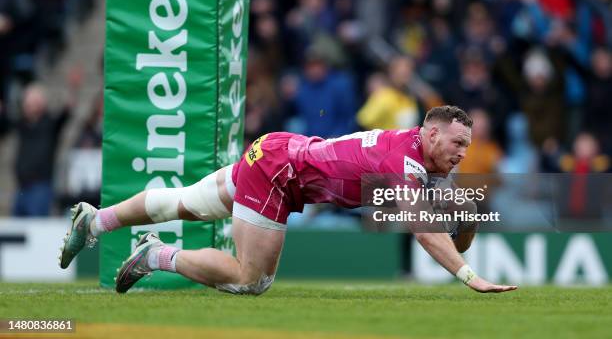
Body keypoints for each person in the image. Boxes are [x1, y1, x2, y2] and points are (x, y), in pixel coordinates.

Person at [59, 105, 517, 295]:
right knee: (250, 280)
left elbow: (453, 235)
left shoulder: (425, 159)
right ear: (431, 133)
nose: (463, 154)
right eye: (458, 144)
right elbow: (425, 229)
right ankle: (156, 255)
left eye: (467, 146)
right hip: (279, 176)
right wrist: (470, 277)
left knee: (183, 203)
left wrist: (467, 219)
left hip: (279, 149)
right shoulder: (405, 164)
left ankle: (96, 223)